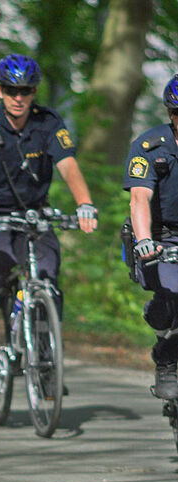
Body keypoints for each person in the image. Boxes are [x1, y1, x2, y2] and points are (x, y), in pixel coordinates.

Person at [0, 53, 97, 372]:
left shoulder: (48, 123)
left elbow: (68, 165)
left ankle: (46, 353)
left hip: (35, 214)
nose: (18, 98)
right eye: (11, 90)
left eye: (25, 91)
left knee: (47, 273)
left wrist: (85, 204)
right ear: (0, 91)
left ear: (34, 92)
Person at [123, 73, 178, 399]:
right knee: (173, 295)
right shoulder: (149, 146)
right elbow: (139, 198)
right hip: (161, 237)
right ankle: (167, 360)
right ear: (171, 114)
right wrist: (144, 240)